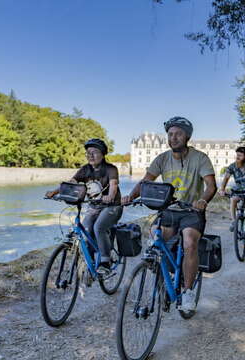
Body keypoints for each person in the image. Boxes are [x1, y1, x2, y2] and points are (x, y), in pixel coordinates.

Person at [122, 116, 216, 311]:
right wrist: (130, 196)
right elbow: (145, 181)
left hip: (191, 211)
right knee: (155, 237)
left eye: (178, 134)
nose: (173, 138)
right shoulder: (162, 158)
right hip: (169, 210)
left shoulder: (200, 158)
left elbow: (211, 185)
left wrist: (203, 200)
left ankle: (188, 292)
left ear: (187, 137)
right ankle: (166, 275)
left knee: (189, 242)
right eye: (170, 134)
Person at [46, 138, 122, 276]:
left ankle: (105, 261)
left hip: (112, 206)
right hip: (94, 206)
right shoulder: (85, 170)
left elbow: (113, 184)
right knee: (86, 230)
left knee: (99, 227)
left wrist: (110, 196)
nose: (90, 155)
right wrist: (55, 192)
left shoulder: (110, 169)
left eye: (95, 152)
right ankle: (90, 263)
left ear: (103, 154)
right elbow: (71, 183)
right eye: (88, 153)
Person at [218, 146, 245, 245]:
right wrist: (222, 189)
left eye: (240, 155)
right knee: (233, 199)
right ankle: (234, 221)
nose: (237, 157)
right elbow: (226, 178)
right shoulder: (232, 166)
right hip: (238, 191)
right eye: (237, 155)